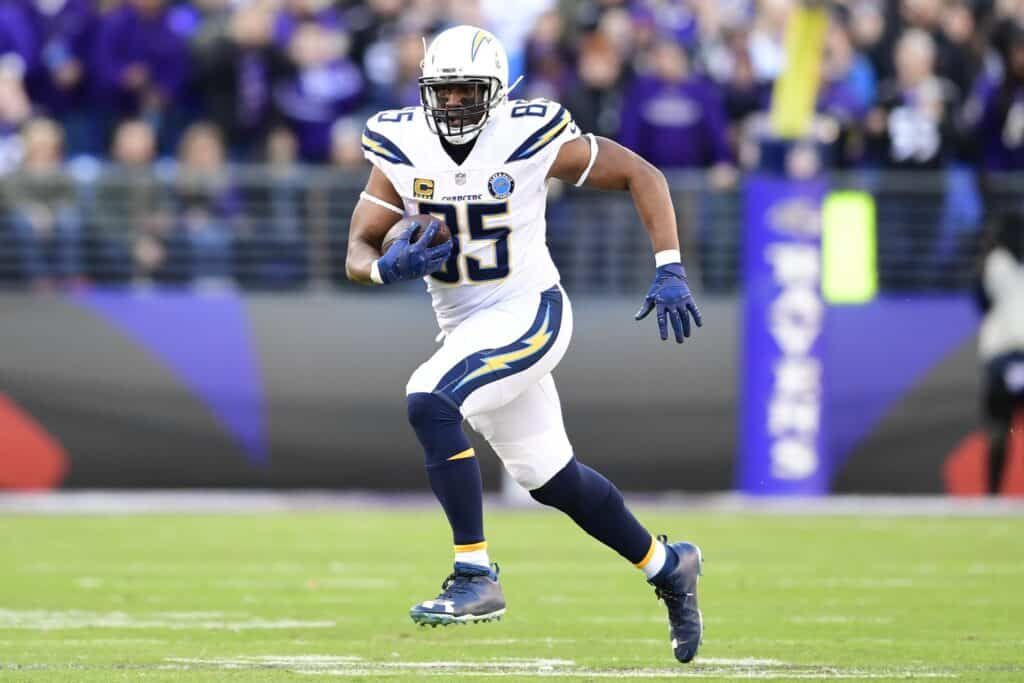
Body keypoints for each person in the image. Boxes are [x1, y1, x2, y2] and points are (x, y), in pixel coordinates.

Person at [345, 26, 704, 664]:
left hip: (528, 309)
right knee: (552, 478)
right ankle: (667, 566)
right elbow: (358, 248)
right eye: (443, 92)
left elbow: (640, 175)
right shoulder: (400, 142)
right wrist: (382, 270)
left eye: (467, 92)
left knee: (429, 399)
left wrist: (669, 264)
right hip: (464, 326)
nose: (453, 105)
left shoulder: (529, 134)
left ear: (498, 92)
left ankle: (475, 575)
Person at [976, 212, 1024, 494]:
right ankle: (992, 493)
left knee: (998, 429)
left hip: (1003, 357)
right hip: (1009, 356)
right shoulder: (999, 263)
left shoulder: (995, 262)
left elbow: (980, 300)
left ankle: (992, 494)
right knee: (998, 430)